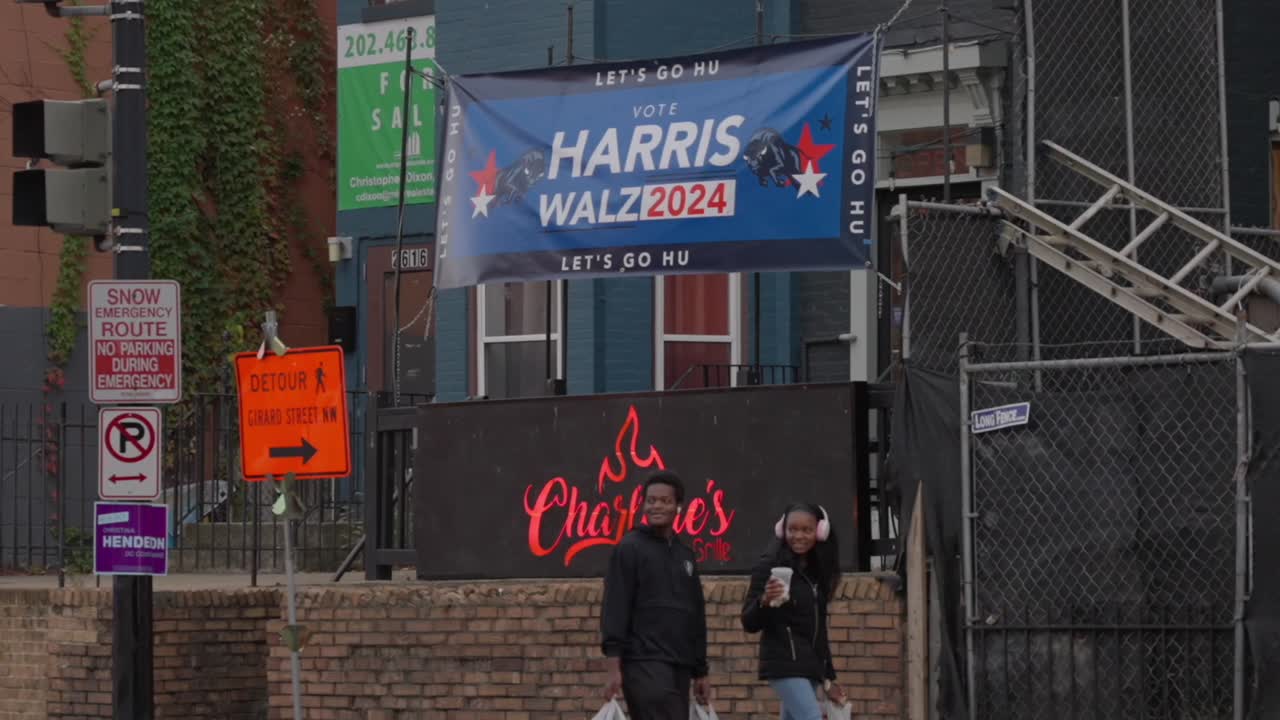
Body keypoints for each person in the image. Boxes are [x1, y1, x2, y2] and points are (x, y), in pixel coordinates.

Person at [601, 470, 711, 718]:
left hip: (680, 664)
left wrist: (700, 671)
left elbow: (696, 615)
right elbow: (615, 607)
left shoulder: (685, 556)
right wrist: (613, 667)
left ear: (678, 507)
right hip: (642, 661)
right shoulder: (629, 548)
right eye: (651, 501)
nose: (657, 506)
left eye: (665, 501)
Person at [741, 503, 847, 720]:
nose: (798, 536)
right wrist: (765, 600)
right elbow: (748, 622)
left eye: (806, 530)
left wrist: (827, 679)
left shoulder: (817, 573)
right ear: (783, 530)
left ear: (820, 531)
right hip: (784, 664)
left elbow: (819, 632)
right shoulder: (769, 566)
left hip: (810, 667)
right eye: (792, 529)